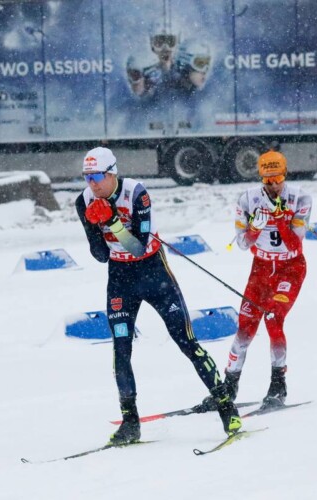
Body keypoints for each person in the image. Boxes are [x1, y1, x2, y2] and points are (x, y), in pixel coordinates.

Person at [75, 147, 240, 445]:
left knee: (185, 340)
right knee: (121, 349)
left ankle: (227, 408)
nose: (93, 184)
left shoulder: (137, 193)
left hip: (153, 272)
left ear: (113, 173)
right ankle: (130, 421)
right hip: (120, 277)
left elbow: (138, 246)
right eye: (87, 177)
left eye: (98, 177)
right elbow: (100, 255)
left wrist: (111, 221)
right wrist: (95, 226)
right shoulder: (84, 200)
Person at [196, 150, 312, 412]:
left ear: (285, 175)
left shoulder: (300, 198)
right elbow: (242, 243)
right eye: (267, 180)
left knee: (273, 317)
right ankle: (229, 385)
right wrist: (255, 228)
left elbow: (295, 243)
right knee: (245, 327)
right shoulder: (247, 199)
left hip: (289, 268)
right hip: (260, 269)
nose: (273, 186)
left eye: (278, 179)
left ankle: (278, 384)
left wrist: (281, 219)